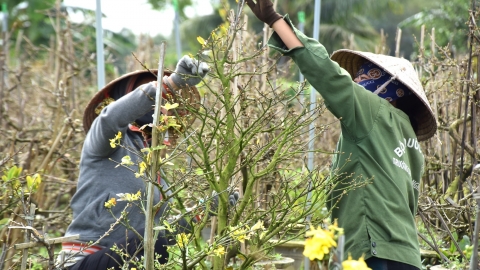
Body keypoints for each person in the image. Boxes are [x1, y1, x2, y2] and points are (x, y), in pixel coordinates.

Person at [246, 1, 437, 269]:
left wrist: (275, 20)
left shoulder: (372, 110)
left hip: (374, 251)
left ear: (385, 86)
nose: (357, 83)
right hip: (407, 255)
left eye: (363, 77)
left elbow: (327, 74)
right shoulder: (412, 144)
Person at [58, 56, 211, 269]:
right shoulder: (106, 143)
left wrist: (202, 212)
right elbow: (111, 118)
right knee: (149, 244)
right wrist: (172, 83)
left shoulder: (153, 167)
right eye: (154, 96)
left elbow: (163, 236)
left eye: (166, 99)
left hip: (133, 258)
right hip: (85, 262)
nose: (159, 103)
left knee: (155, 241)